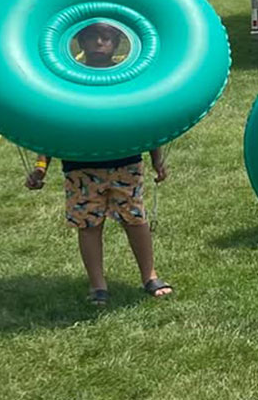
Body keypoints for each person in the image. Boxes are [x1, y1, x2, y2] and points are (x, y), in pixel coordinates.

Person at [25, 23, 172, 305]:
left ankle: (150, 276)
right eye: (92, 37)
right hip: (80, 166)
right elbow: (51, 128)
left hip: (125, 162)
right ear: (80, 42)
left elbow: (147, 121)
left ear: (117, 42)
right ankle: (98, 286)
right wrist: (41, 167)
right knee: (89, 225)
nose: (99, 42)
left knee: (135, 220)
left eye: (106, 37)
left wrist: (157, 160)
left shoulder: (130, 76)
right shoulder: (66, 79)